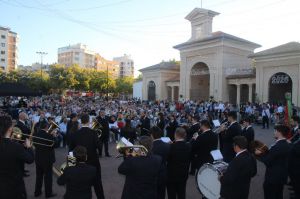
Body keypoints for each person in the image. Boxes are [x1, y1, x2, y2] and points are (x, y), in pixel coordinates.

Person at [69, 113, 105, 199]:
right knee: (97, 184)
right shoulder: (93, 132)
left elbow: (70, 150)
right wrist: (98, 138)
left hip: (79, 163)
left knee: (82, 185)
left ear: (81, 122)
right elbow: (99, 146)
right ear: (88, 121)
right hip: (93, 162)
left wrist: (70, 164)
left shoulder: (75, 134)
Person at [0, 115, 34, 199]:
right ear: (10, 128)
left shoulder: (14, 145)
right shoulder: (16, 146)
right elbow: (30, 159)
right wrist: (29, 147)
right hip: (14, 187)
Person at [256, 124, 291, 199]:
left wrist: (259, 154)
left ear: (279, 132)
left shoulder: (278, 146)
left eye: (275, 131)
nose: (274, 132)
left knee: (270, 195)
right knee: (278, 195)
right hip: (281, 177)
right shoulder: (287, 144)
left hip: (273, 178)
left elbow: (267, 160)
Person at [33, 120, 57, 198]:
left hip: (38, 158)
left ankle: (37, 192)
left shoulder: (36, 134)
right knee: (48, 177)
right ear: (46, 127)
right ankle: (48, 193)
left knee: (39, 176)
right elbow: (55, 145)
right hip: (48, 159)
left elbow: (35, 145)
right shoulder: (49, 135)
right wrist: (54, 136)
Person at [167, 127, 191, 199]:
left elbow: (168, 159)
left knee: (171, 194)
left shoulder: (171, 147)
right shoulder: (188, 146)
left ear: (175, 135)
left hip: (172, 174)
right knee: (182, 193)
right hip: (183, 173)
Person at [150, 126, 170, 199]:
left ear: (152, 135)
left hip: (152, 174)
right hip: (163, 172)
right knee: (161, 193)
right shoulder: (168, 146)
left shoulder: (150, 147)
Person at [15, 111, 31, 177]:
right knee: (21, 159)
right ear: (22, 116)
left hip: (25, 142)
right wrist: (27, 138)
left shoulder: (24, 123)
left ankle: (23, 169)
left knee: (22, 159)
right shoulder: (18, 124)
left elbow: (28, 131)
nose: (27, 116)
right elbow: (20, 135)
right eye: (25, 115)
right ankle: (21, 172)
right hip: (22, 143)